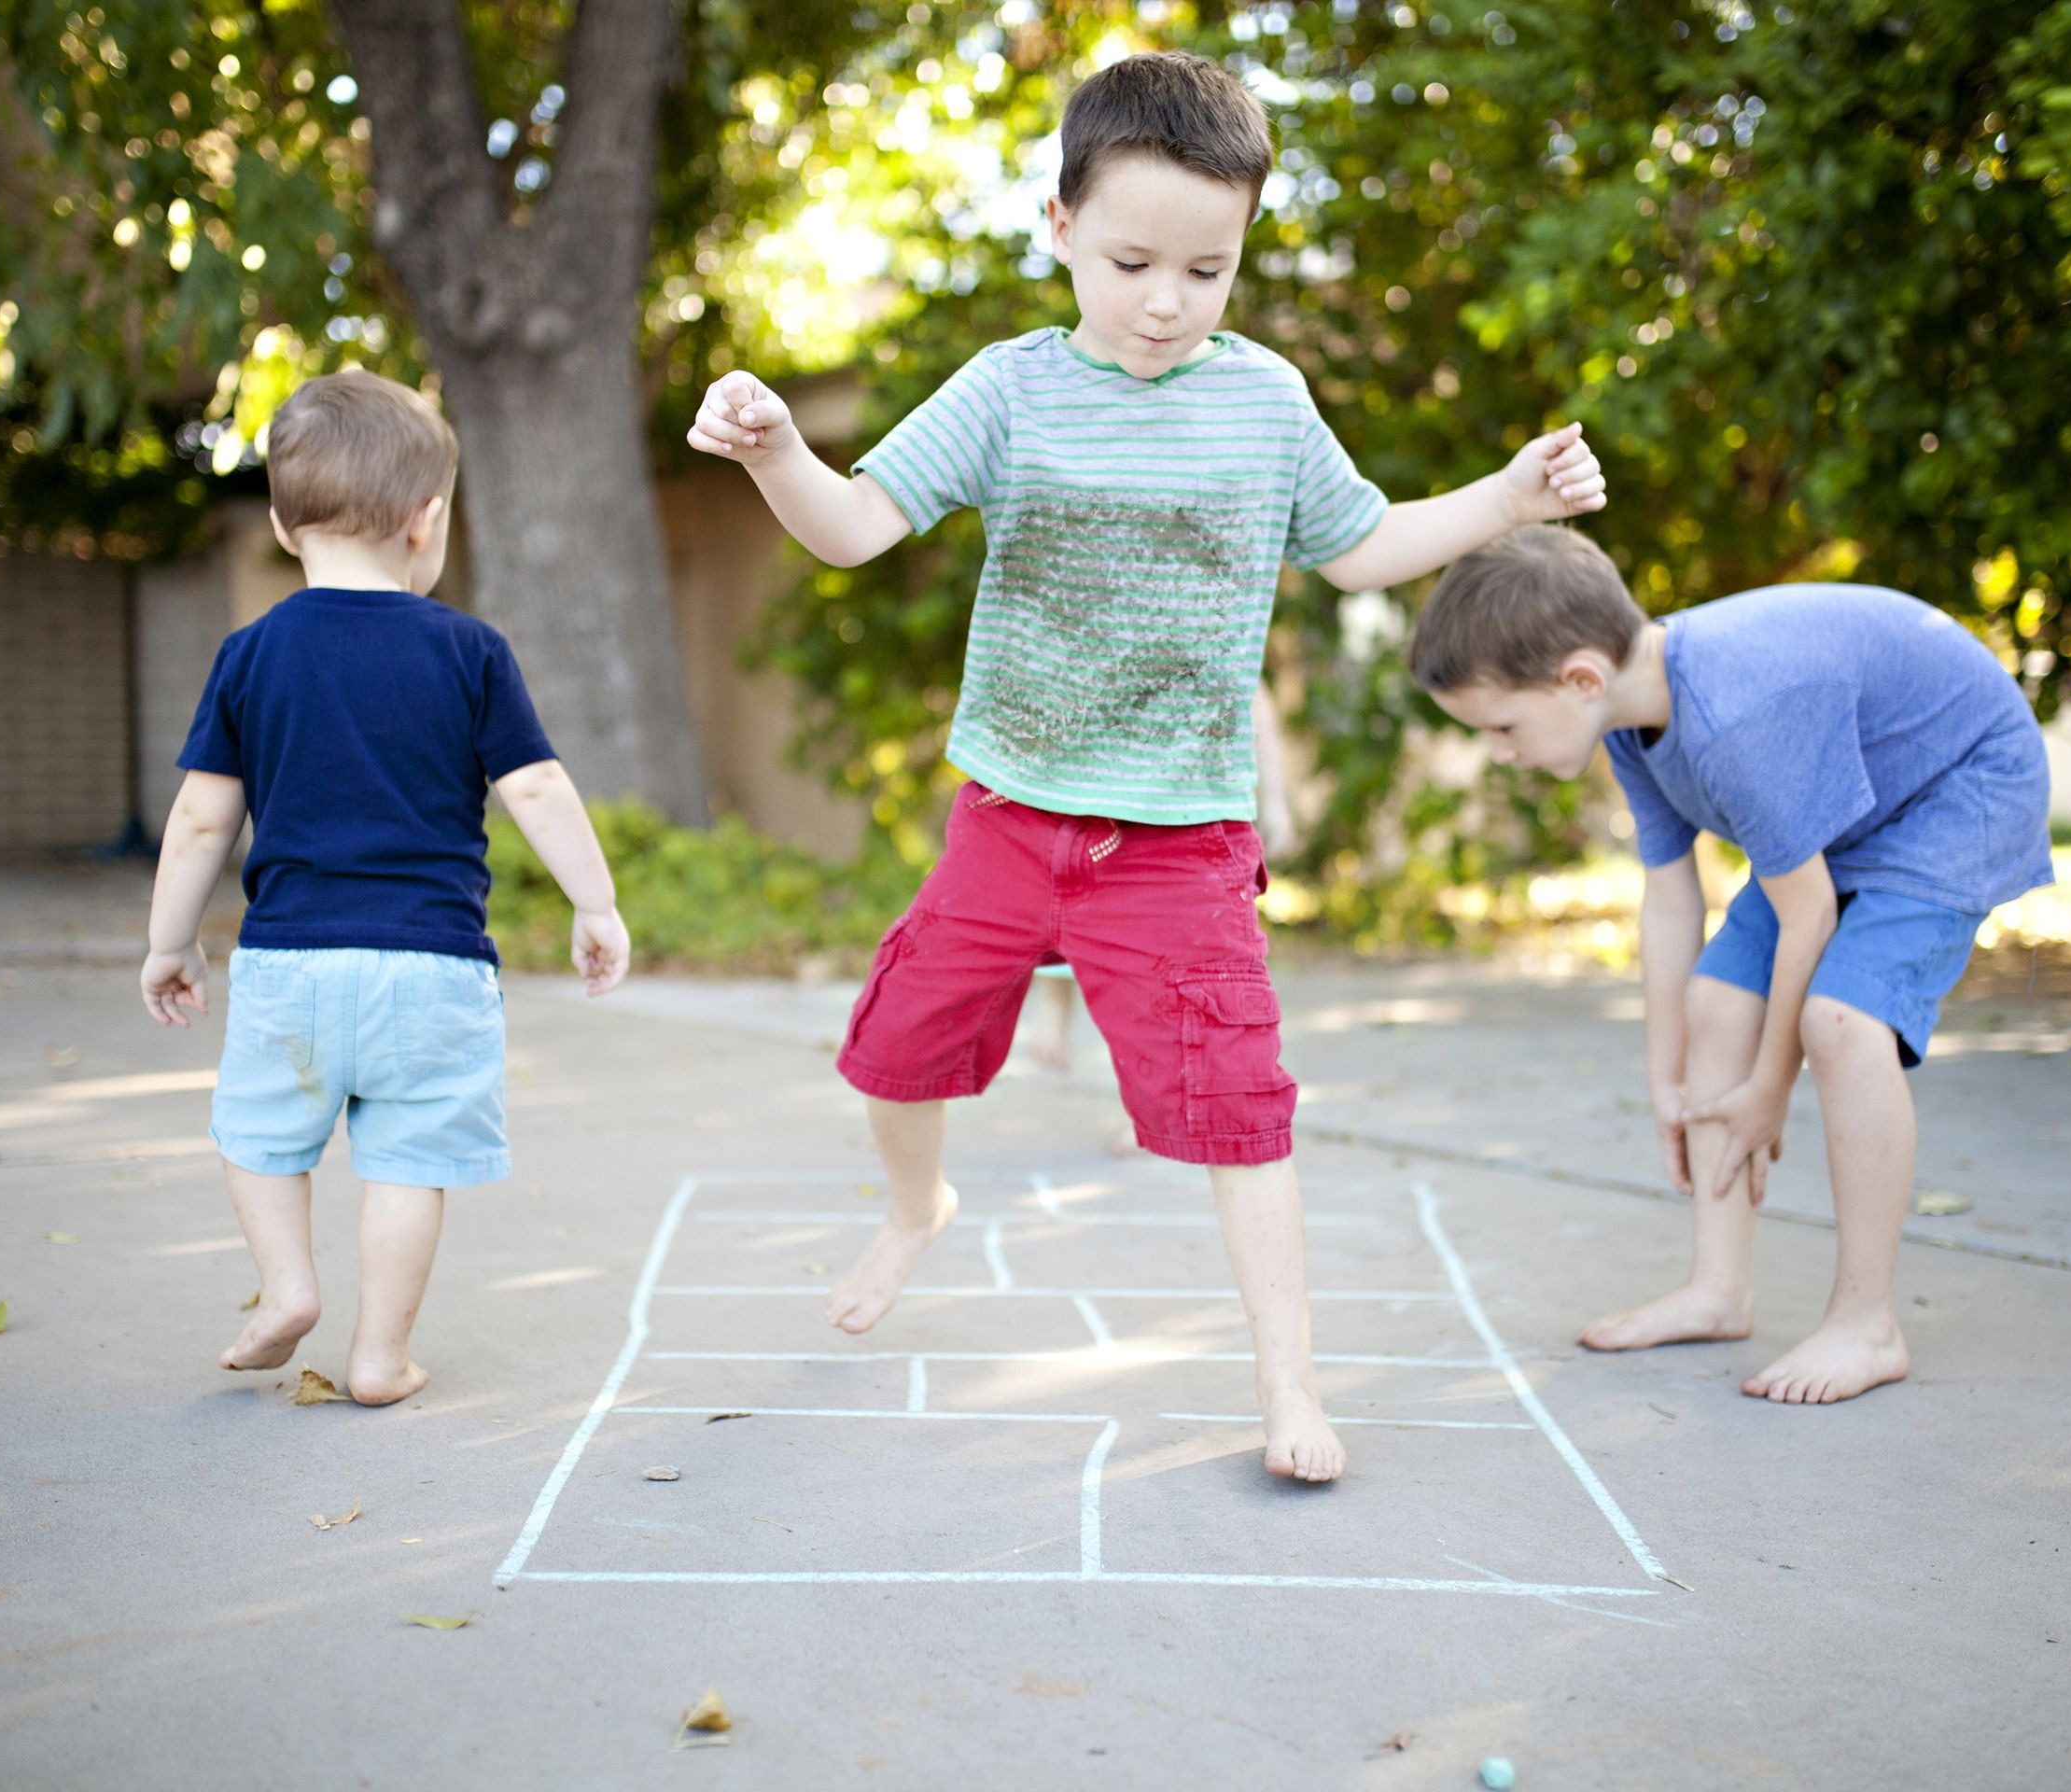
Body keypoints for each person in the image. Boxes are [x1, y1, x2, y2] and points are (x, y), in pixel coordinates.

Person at [687, 52, 1606, 1478]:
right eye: (1131, 262)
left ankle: (1291, 1391)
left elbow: (1358, 544)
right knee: (894, 1047)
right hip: (1010, 811)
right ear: (1057, 226)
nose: (1167, 301)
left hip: (1177, 837)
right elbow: (857, 525)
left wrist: (1506, 496)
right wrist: (774, 457)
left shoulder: (1264, 402)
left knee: (1245, 1112)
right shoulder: (1009, 390)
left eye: (1208, 269)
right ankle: (915, 1207)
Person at [1409, 525, 2051, 1404]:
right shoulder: (1633, 722)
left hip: (1958, 787)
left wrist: (1767, 1088)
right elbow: (1673, 900)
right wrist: (1666, 1082)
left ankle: (1868, 1323)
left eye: (1503, 725)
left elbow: (1809, 913)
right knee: (1715, 1003)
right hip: (1855, 809)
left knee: (1839, 1021)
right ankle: (1720, 1290)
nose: (1498, 750)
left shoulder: (1734, 717)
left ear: (1581, 679)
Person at [138, 371, 632, 1407]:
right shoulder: (467, 649)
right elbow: (535, 785)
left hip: (290, 960)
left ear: (280, 524)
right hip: (432, 967)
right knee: (409, 1161)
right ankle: (379, 1357)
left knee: (261, 1134)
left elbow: (200, 818)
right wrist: (595, 903)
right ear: (429, 520)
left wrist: (167, 943)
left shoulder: (251, 654)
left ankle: (285, 1287)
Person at [1025, 682, 1297, 1075]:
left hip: (1188, 818)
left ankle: (1157, 1097)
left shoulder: (1219, 636)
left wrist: (1274, 801)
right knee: (1072, 900)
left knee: (1160, 973)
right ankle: (1056, 1001)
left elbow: (1255, 700)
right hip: (1110, 798)